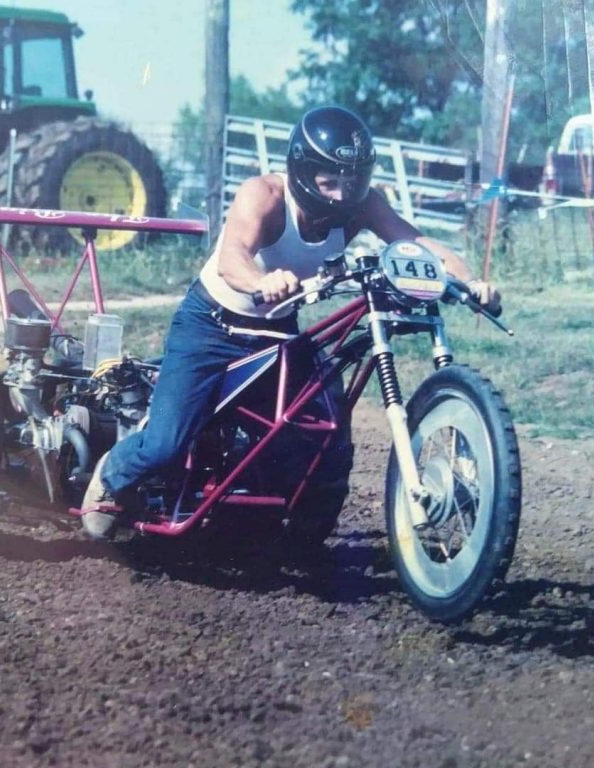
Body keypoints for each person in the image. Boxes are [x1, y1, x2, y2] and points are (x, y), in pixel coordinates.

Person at [80, 105, 501, 538]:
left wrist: (469, 281)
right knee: (167, 444)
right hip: (211, 327)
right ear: (303, 170)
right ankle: (111, 475)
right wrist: (262, 281)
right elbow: (232, 258)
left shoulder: (364, 204)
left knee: (325, 431)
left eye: (352, 180)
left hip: (277, 334)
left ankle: (307, 532)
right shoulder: (264, 195)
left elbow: (414, 242)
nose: (342, 193)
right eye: (330, 181)